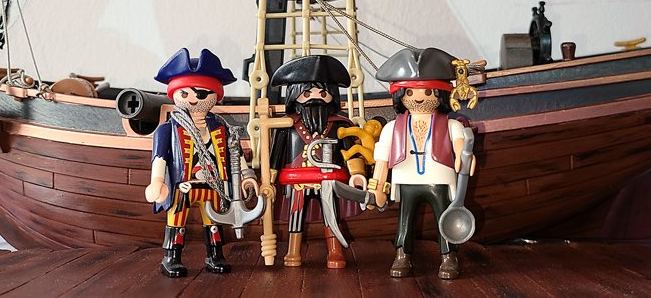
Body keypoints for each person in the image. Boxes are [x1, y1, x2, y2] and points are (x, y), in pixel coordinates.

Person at [145, 48, 258, 277]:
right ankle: (171, 258)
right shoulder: (168, 129)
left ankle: (215, 256)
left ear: (216, 95)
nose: (193, 99)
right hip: (182, 186)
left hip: (213, 186)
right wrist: (157, 181)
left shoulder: (222, 128)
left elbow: (235, 154)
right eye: (185, 93)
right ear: (174, 93)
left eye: (202, 93)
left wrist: (246, 177)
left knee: (214, 222)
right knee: (176, 222)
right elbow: (160, 157)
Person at [370, 47, 474, 280]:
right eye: (410, 92)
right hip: (407, 179)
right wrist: (377, 186)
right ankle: (402, 254)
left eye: (428, 92)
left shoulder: (451, 125)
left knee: (446, 217)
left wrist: (464, 157)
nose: (419, 98)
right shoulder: (392, 128)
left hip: (438, 179)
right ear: (400, 95)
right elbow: (382, 158)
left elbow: (460, 145)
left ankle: (449, 256)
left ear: (441, 94)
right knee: (404, 219)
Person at [267, 55, 364, 268]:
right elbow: (275, 155)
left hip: (329, 179)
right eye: (307, 93)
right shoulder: (286, 126)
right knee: (296, 215)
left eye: (323, 93)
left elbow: (350, 151)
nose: (315, 98)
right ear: (294, 95)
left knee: (331, 215)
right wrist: (269, 181)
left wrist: (357, 173)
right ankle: (293, 251)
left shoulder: (339, 125)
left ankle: (335, 251)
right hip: (297, 182)